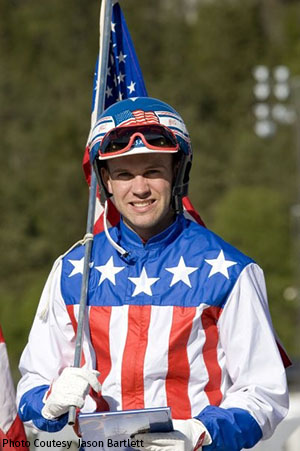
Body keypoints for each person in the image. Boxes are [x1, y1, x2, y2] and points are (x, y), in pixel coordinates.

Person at [17, 97, 289, 450]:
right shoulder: (72, 270)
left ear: (177, 172)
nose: (140, 188)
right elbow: (31, 382)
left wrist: (199, 433)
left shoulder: (232, 270)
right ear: (105, 181)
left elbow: (265, 394)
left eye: (153, 171)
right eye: (125, 174)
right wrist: (48, 401)